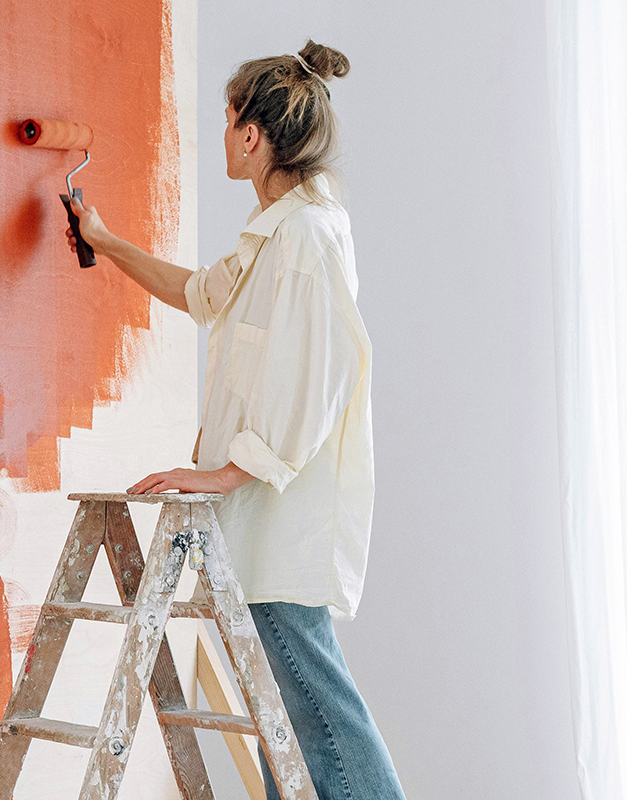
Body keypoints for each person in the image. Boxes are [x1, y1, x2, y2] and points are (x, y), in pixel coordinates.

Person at [64, 39, 406, 800]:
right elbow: (198, 295)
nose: (222, 135)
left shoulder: (308, 239)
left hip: (284, 521)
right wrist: (105, 241)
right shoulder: (276, 235)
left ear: (251, 134)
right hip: (259, 516)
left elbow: (315, 383)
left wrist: (221, 472)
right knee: (286, 717)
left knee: (318, 711)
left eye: (226, 121)